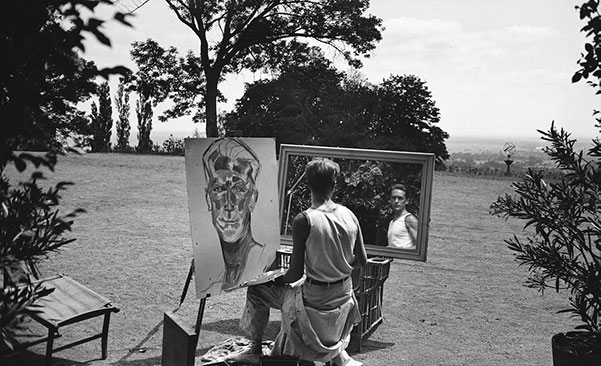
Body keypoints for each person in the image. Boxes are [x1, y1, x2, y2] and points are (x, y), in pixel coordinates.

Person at [239, 158, 367, 366]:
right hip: (343, 294)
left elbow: (295, 274)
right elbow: (361, 260)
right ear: (334, 185)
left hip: (313, 299)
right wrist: (336, 269)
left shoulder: (304, 220)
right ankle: (337, 353)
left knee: (256, 290)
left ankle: (255, 348)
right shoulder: (349, 215)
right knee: (296, 286)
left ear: (308, 184)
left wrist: (274, 280)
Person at [202, 138, 265, 290]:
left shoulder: (265, 262)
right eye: (218, 189)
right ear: (208, 200)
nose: (229, 204)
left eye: (239, 189)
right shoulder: (213, 276)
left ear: (252, 199)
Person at [387, 183, 418, 249]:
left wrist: (398, 251)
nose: (396, 201)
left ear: (407, 201)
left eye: (400, 198)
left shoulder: (409, 219)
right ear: (390, 200)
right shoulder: (392, 222)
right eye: (394, 198)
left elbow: (420, 248)